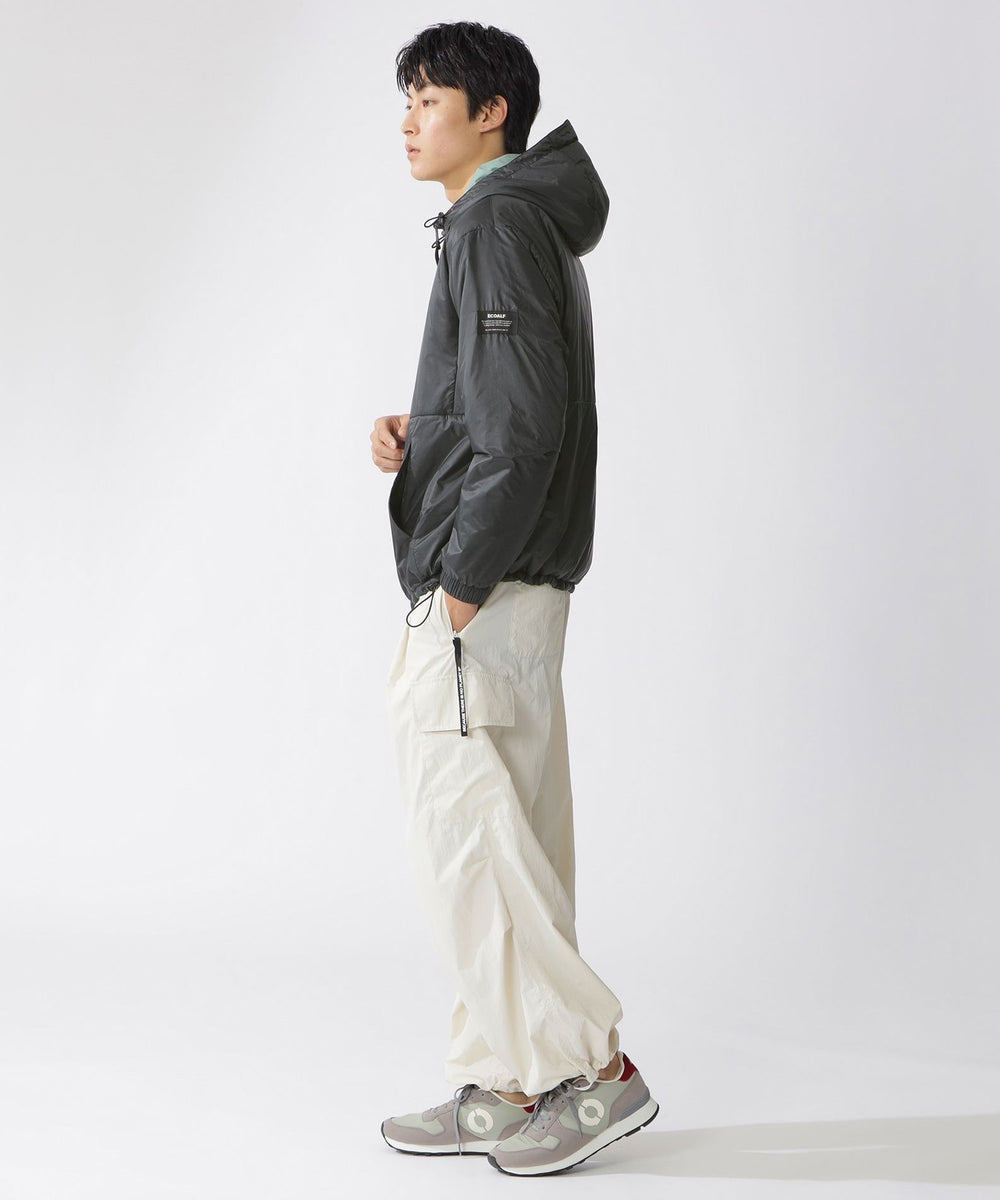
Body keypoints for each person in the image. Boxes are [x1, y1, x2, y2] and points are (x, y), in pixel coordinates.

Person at [369, 21, 658, 1177]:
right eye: (406, 100)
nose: (408, 119)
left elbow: (527, 432)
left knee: (470, 839)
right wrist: (426, 432)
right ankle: (510, 1077)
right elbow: (506, 406)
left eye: (428, 98)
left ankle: (589, 1070)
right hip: (518, 584)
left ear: (491, 113)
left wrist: (458, 586)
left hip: (484, 588)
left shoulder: (493, 221)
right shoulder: (513, 220)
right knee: (510, 835)